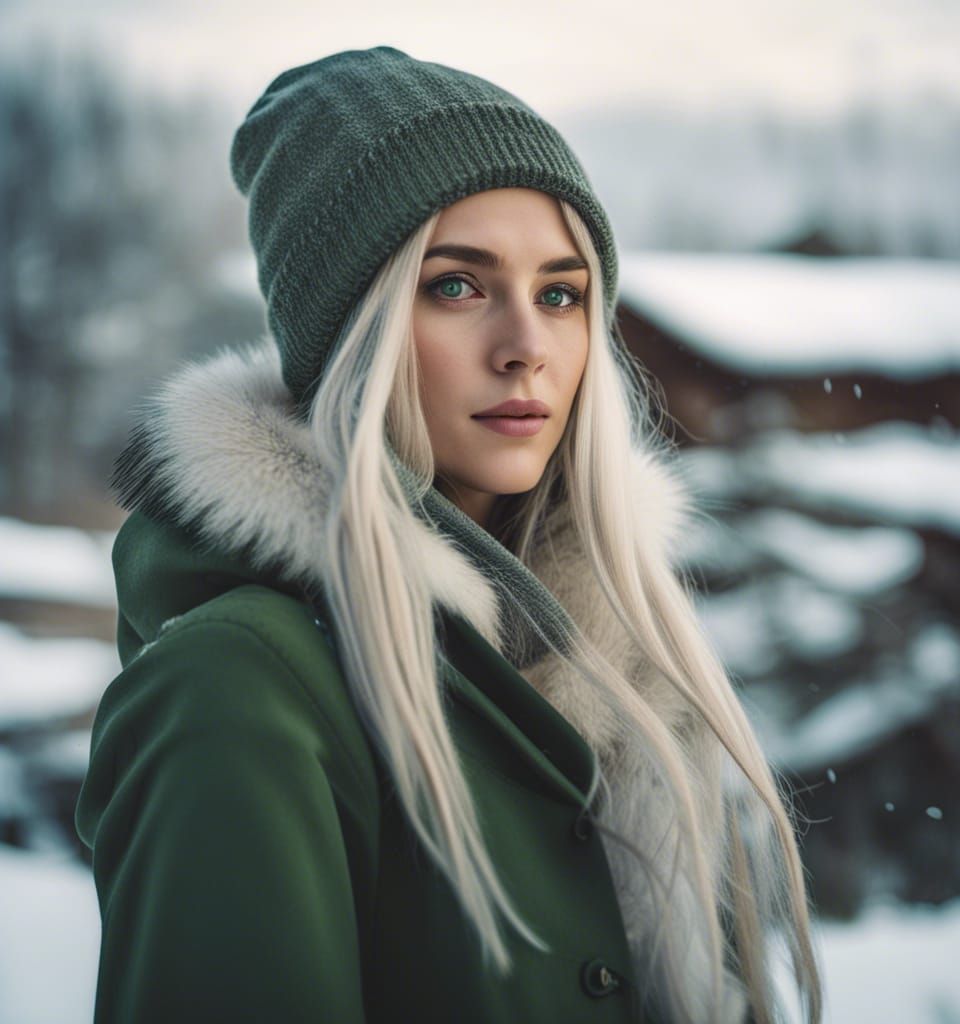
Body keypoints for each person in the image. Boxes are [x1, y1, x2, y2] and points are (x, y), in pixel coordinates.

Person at [75, 46, 822, 1024]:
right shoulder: (238, 693)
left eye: (561, 292)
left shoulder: (631, 662)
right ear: (350, 329)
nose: (525, 345)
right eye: (456, 286)